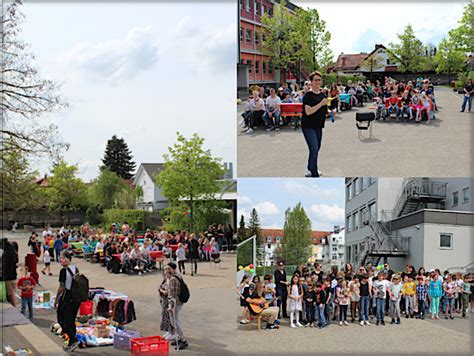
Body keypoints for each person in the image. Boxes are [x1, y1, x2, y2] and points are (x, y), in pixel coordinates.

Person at [301, 71, 328, 178]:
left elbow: (323, 111)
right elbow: (308, 111)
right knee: (314, 149)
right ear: (311, 82)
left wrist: (330, 111)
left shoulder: (322, 95)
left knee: (316, 149)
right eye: (315, 80)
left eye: (319, 80)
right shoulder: (308, 95)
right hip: (308, 126)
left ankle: (310, 168)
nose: (318, 82)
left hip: (319, 126)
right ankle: (314, 173)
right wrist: (321, 103)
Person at [54, 252, 80, 353]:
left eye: (63, 258)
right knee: (71, 320)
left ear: (69, 259)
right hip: (76, 298)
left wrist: (56, 299)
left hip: (67, 297)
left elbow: (62, 286)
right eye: (61, 258)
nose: (61, 260)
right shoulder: (76, 268)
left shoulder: (63, 271)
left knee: (63, 320)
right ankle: (73, 340)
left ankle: (72, 341)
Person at [166, 262, 188, 350]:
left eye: (168, 269)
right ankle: (179, 338)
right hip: (178, 302)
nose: (166, 271)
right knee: (175, 321)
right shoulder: (178, 276)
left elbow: (173, 295)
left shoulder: (173, 279)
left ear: (172, 269)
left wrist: (171, 306)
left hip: (176, 303)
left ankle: (183, 340)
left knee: (175, 321)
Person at [1, 238, 18, 307]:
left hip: (9, 276)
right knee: (12, 292)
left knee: (11, 293)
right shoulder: (12, 251)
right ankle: (13, 305)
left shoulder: (7, 252)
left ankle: (14, 306)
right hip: (13, 274)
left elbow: (5, 264)